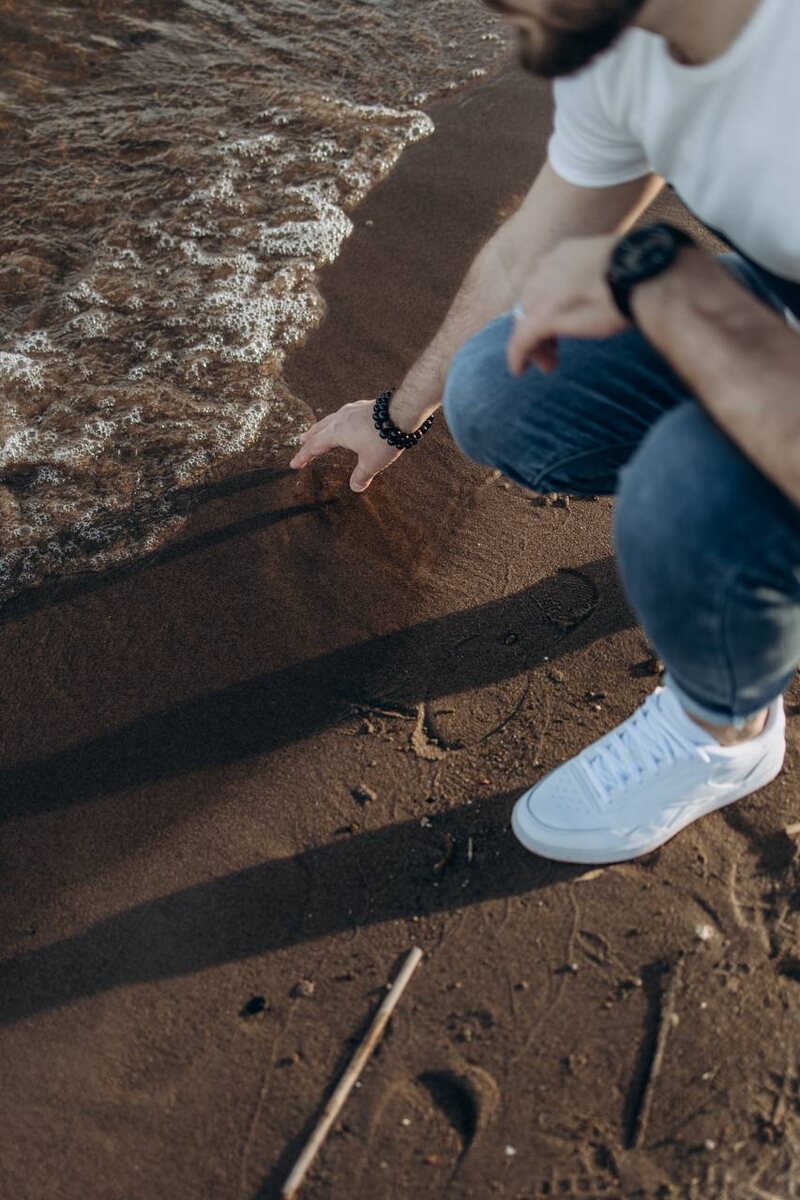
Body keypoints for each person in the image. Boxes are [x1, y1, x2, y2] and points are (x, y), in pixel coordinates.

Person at [289, 0, 800, 865]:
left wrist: (666, 286)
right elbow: (524, 251)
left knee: (690, 476)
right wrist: (393, 417)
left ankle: (727, 730)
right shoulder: (628, 48)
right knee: (497, 391)